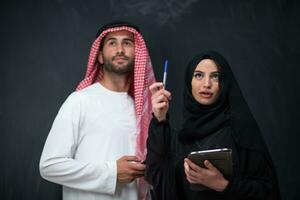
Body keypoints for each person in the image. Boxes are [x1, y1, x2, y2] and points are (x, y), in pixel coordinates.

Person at [39, 21, 155, 200]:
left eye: (127, 43)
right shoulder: (80, 101)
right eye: (112, 43)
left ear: (138, 53)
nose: (120, 50)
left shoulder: (143, 112)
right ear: (99, 56)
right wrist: (112, 172)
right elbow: (49, 166)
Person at [145, 50, 280, 200]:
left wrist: (223, 185)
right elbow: (156, 176)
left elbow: (268, 192)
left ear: (224, 83)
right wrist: (159, 118)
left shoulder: (241, 132)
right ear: (189, 82)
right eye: (199, 75)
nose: (207, 84)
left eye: (215, 77)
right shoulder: (178, 137)